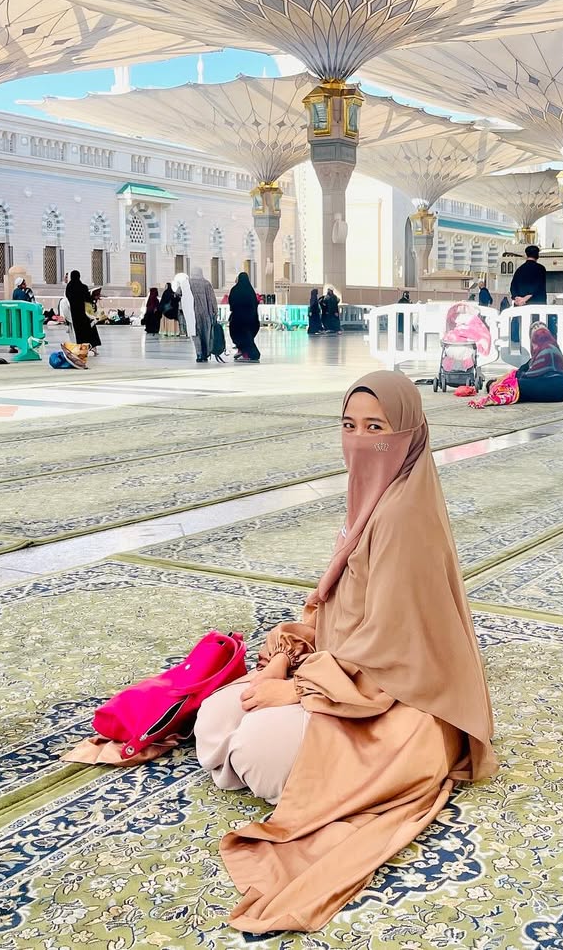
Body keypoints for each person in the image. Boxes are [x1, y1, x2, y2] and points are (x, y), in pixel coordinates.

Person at [194, 371, 495, 934]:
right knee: (216, 718)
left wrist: (297, 690)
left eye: (376, 428)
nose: (360, 440)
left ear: (408, 435)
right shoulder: (374, 502)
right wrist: (287, 660)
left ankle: (286, 761)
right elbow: (332, 611)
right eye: (349, 426)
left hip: (401, 703)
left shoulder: (406, 517)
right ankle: (275, 753)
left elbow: (392, 653)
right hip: (342, 675)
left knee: (256, 745)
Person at [515, 323, 563, 403]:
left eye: (541, 326)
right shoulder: (534, 359)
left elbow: (530, 375)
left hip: (553, 389)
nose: (538, 327)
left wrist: (517, 377)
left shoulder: (549, 348)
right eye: (534, 327)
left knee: (513, 385)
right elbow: (522, 371)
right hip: (559, 393)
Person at [64, 270, 101, 354]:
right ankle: (93, 346)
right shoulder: (83, 287)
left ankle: (82, 349)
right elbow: (88, 299)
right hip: (84, 313)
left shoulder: (69, 287)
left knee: (79, 332)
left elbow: (67, 298)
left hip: (75, 313)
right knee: (90, 329)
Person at [228, 270, 261, 362]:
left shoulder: (235, 289)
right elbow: (255, 304)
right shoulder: (251, 291)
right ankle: (243, 351)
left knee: (239, 336)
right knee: (247, 337)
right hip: (251, 320)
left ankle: (249, 353)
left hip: (238, 319)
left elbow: (231, 303)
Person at [189, 266, 219, 363]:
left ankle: (199, 354)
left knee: (196, 334)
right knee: (206, 334)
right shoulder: (206, 283)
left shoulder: (188, 283)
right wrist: (215, 311)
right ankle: (205, 354)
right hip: (206, 313)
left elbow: (178, 293)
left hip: (193, 314)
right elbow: (212, 299)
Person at [175, 271, 195, 340]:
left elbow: (177, 294)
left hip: (181, 306)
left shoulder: (181, 286)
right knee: (188, 319)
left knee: (181, 319)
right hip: (189, 306)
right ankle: (188, 332)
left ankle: (182, 332)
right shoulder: (192, 286)